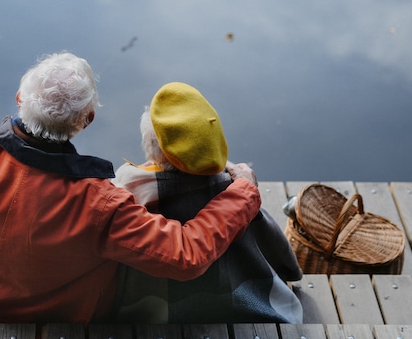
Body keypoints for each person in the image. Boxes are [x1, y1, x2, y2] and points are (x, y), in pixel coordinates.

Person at [0, 18, 262, 324]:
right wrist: (242, 192)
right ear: (88, 120)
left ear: (20, 99)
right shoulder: (101, 204)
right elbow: (186, 256)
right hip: (55, 318)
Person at [111, 82, 303, 324]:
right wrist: (291, 271)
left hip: (156, 314)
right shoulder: (235, 191)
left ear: (151, 146)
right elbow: (276, 250)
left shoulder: (130, 188)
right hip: (238, 306)